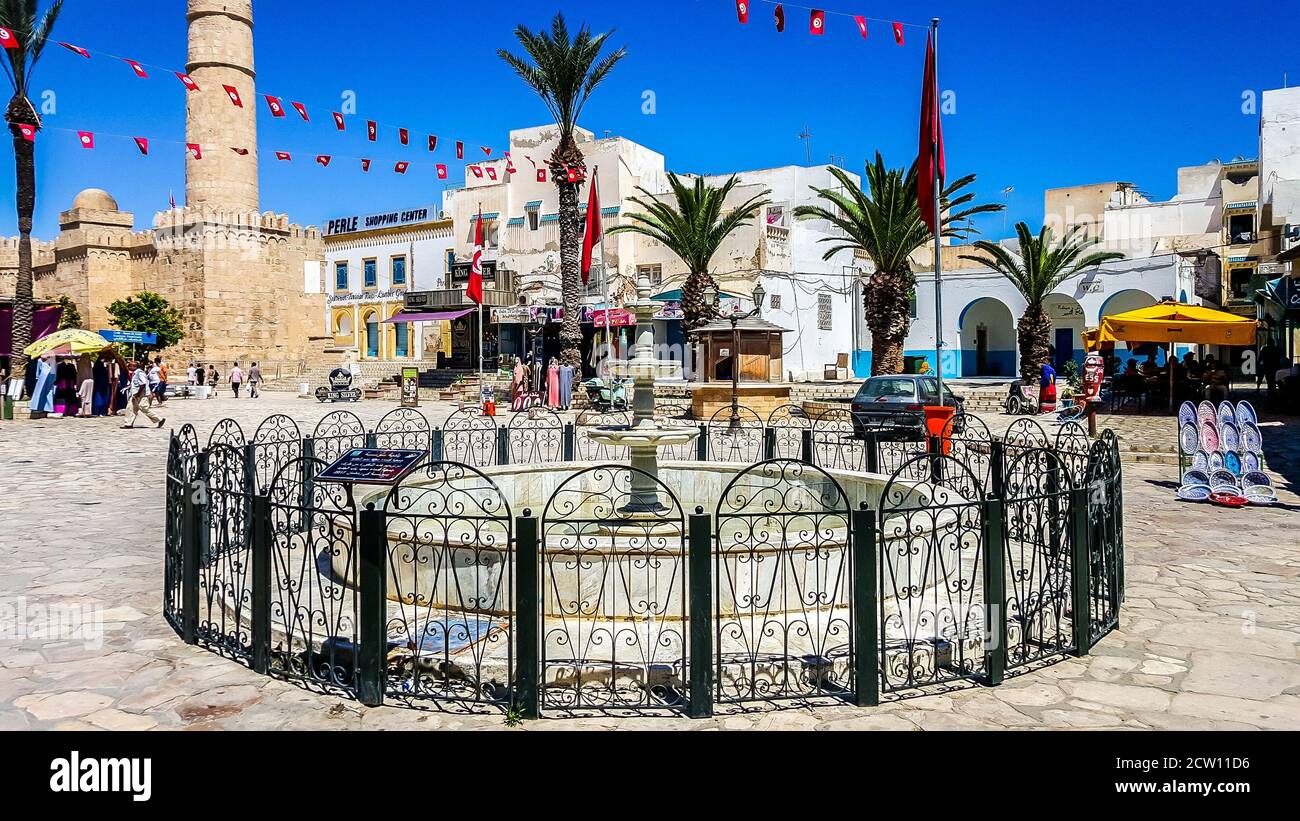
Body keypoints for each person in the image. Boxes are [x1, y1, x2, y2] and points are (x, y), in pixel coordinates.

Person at [124, 358, 165, 429]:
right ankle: (128, 423)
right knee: (130, 408)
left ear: (134, 367)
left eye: (130, 366)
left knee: (144, 408)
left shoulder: (139, 373)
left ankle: (159, 419)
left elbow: (143, 384)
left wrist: (138, 394)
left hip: (141, 395)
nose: (128, 367)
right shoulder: (135, 373)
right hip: (135, 394)